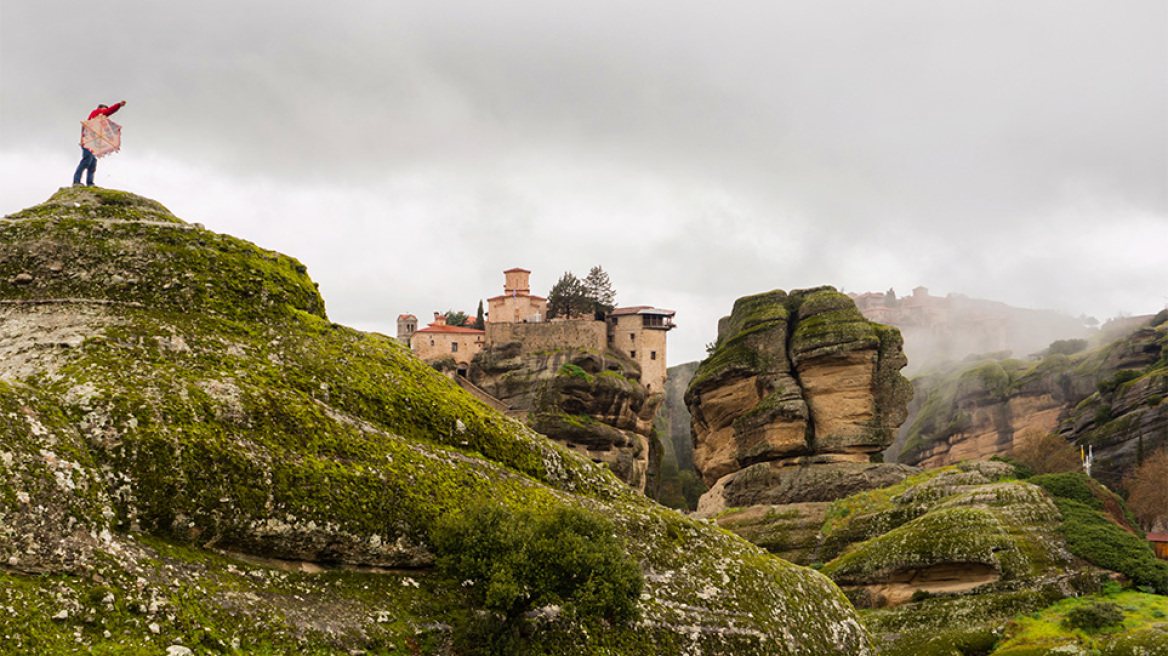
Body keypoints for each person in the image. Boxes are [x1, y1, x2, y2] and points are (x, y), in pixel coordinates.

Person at [73, 100, 126, 187]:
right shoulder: (97, 112)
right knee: (86, 160)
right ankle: (76, 181)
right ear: (101, 108)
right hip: (88, 142)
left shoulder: (97, 121)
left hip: (91, 143)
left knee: (92, 163)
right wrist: (119, 105)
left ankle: (90, 183)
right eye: (105, 109)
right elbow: (108, 111)